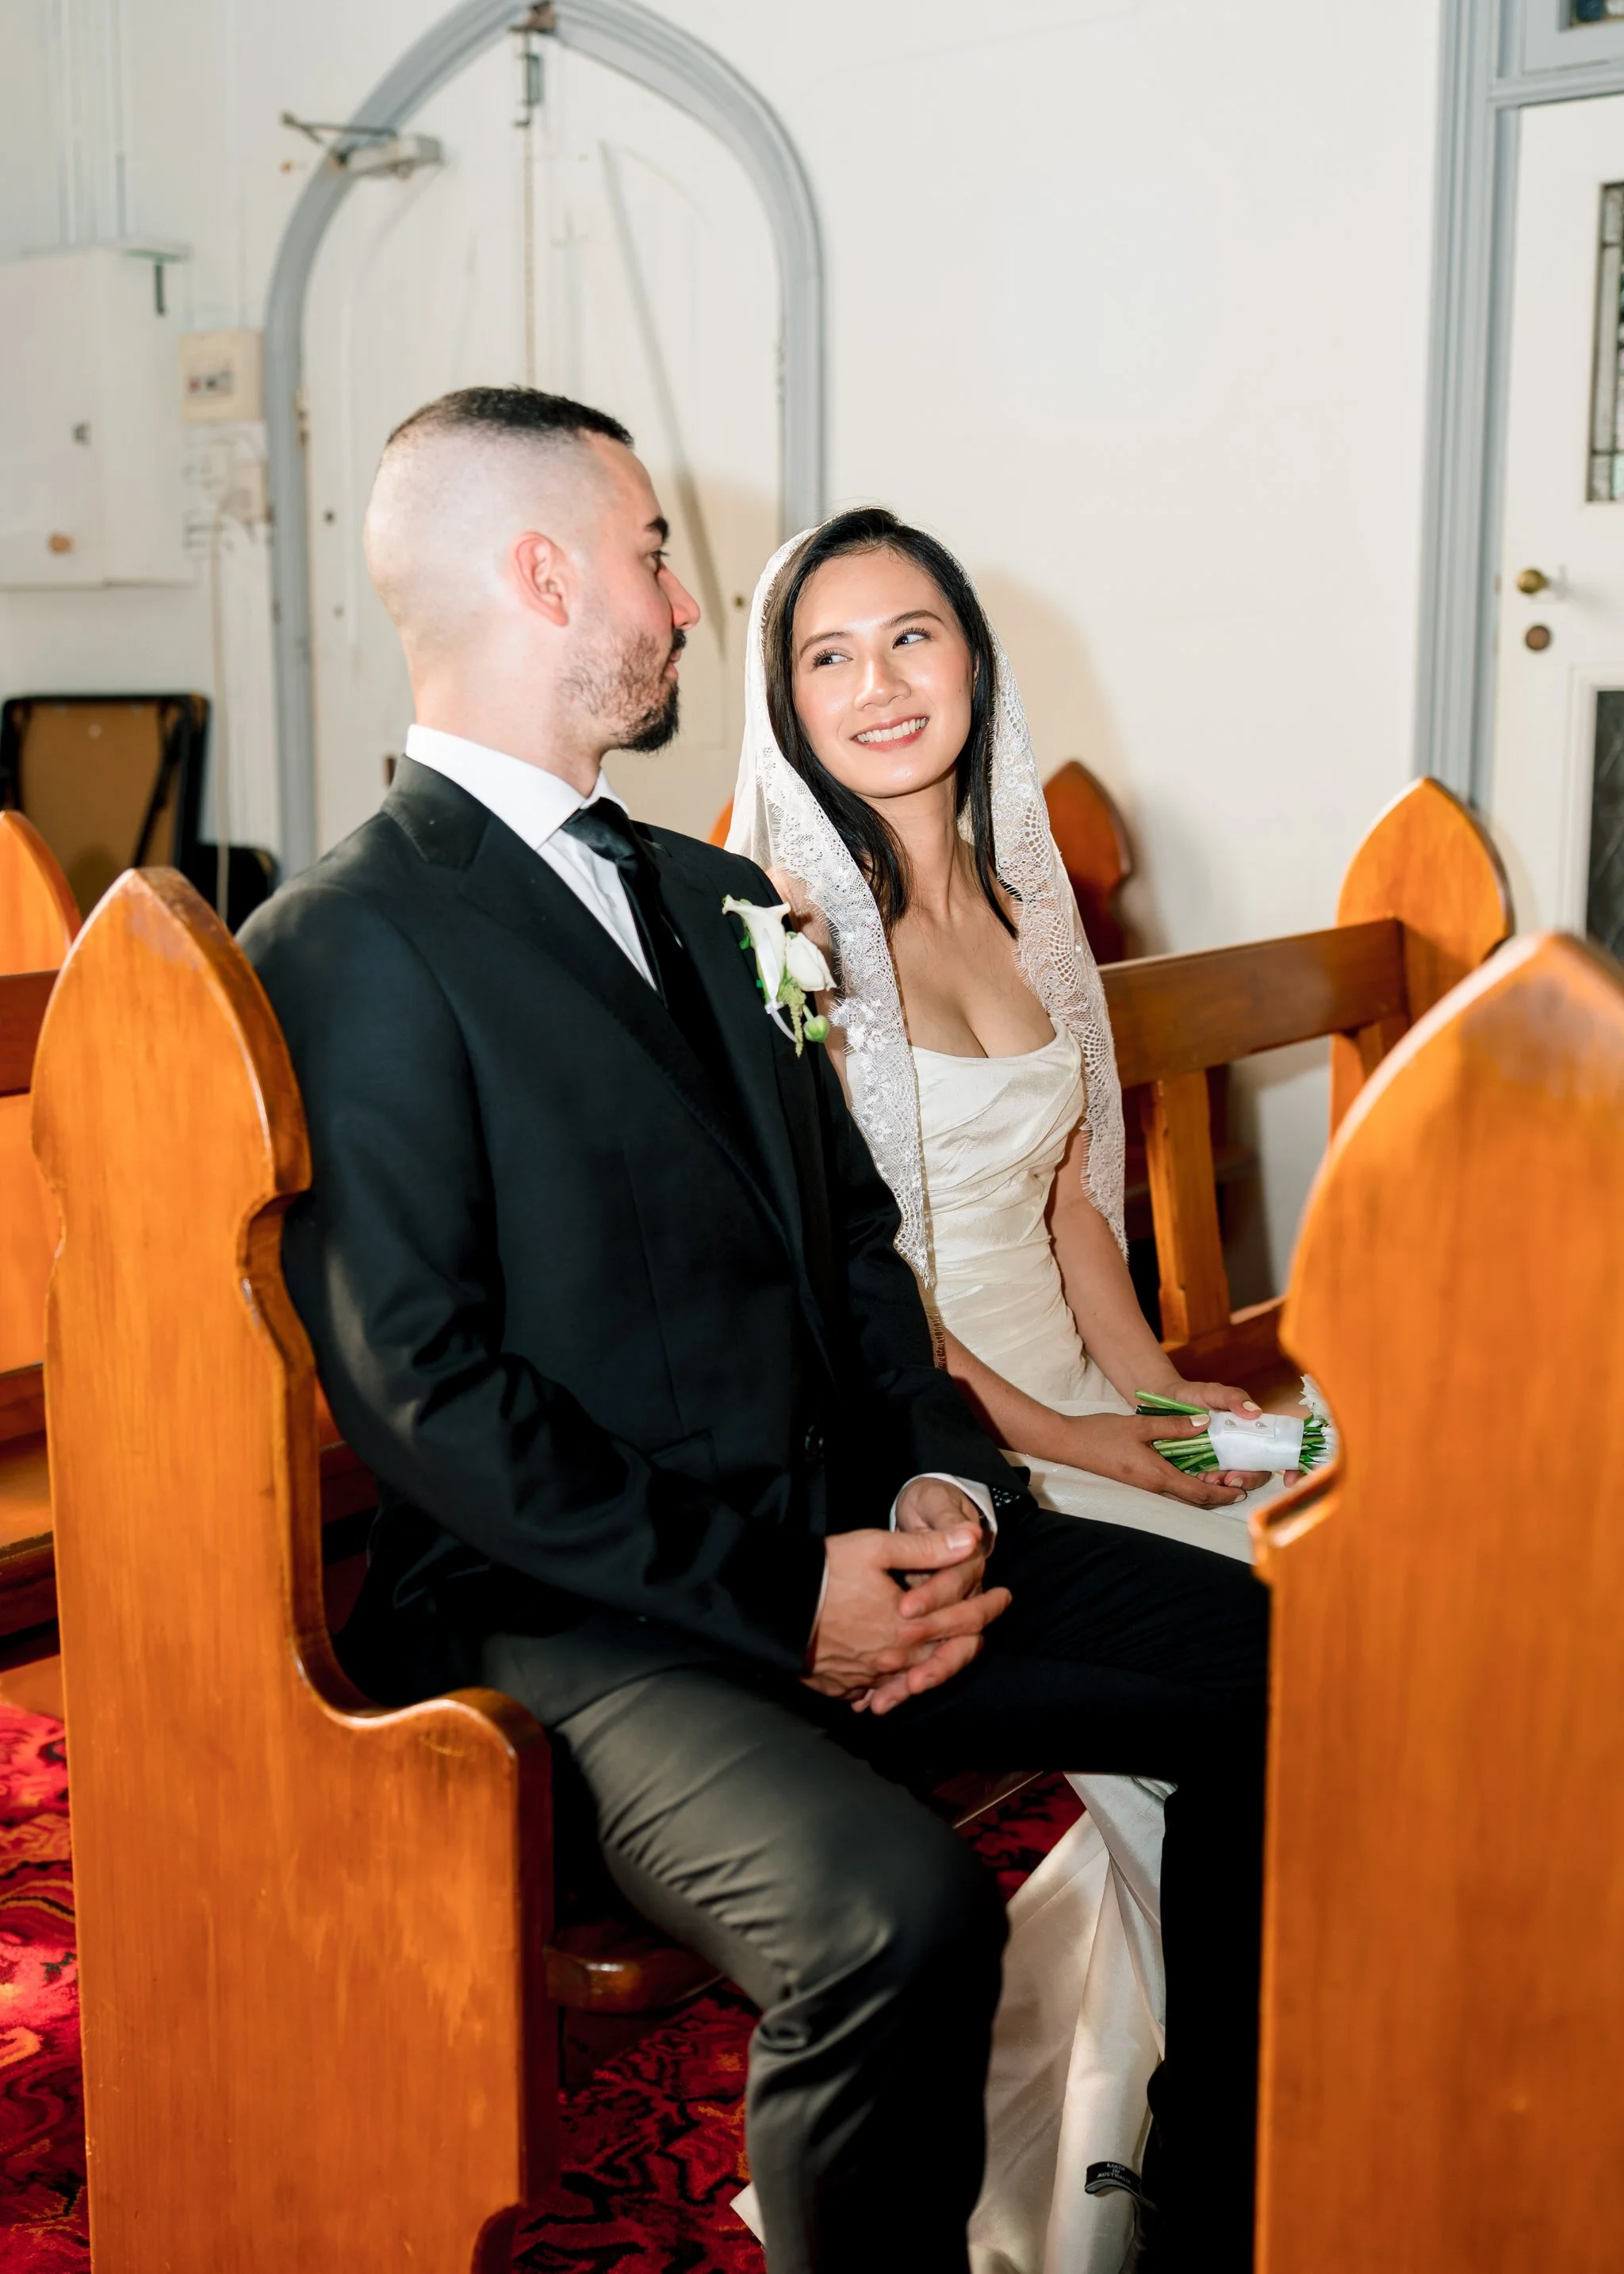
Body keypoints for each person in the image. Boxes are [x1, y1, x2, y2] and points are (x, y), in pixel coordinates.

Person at [239, 388, 1269, 2274]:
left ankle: (1206, 2220)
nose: (677, 603)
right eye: (648, 556)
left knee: (1287, 1667)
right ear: (545, 573)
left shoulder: (724, 905)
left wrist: (951, 1499)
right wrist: (783, 1598)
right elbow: (432, 1397)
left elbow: (858, 1262)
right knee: (895, 1918)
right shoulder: (349, 940)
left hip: (850, 1533)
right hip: (579, 1615)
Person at [727, 508, 1285, 2270]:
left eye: (913, 637)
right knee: (1280, 1665)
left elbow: (1064, 1192)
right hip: (933, 1439)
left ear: (974, 656)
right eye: (828, 654)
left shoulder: (1022, 883)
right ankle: (1212, 2154)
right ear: (782, 695)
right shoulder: (779, 922)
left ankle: (1275, 2085)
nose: (879, 685)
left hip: (1068, 1394)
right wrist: (1075, 1442)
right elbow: (851, 1278)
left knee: (1360, 1561)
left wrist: (1164, 1395)